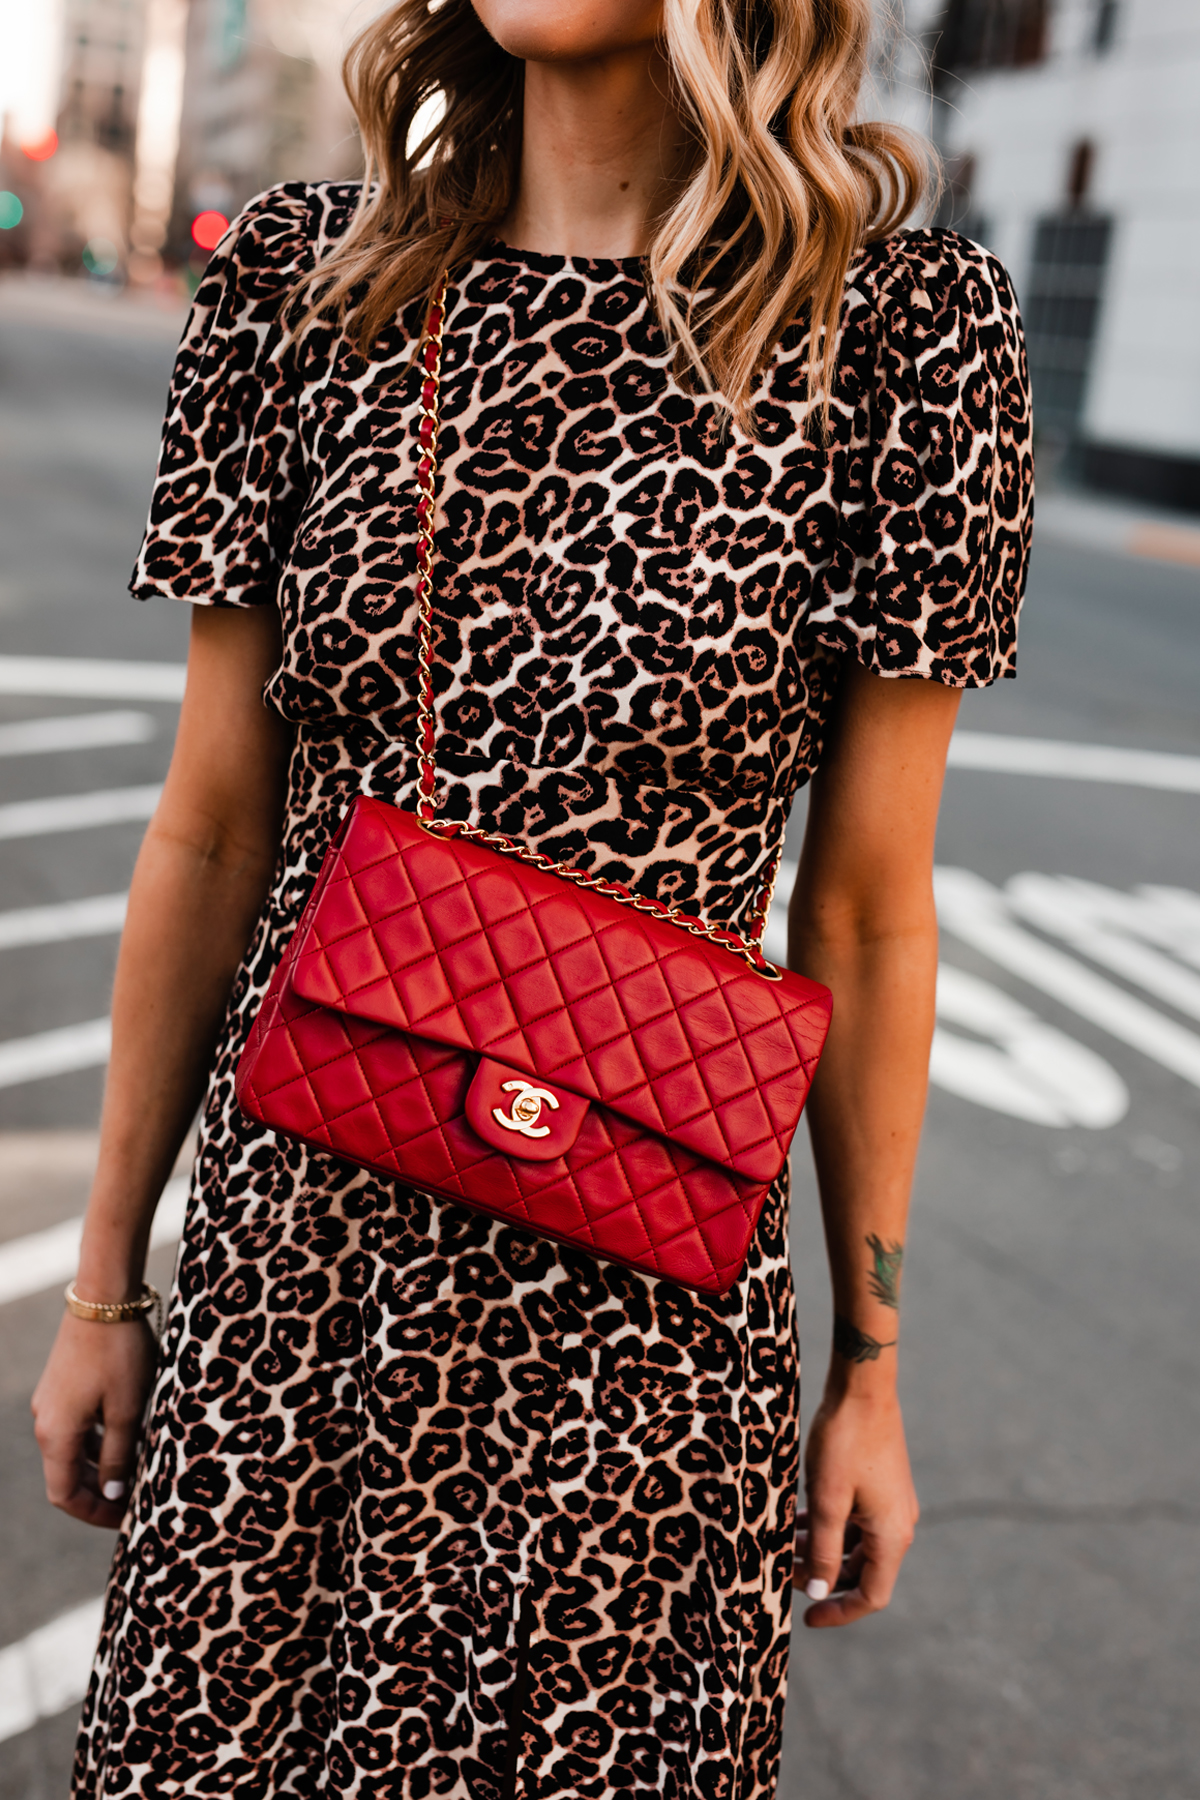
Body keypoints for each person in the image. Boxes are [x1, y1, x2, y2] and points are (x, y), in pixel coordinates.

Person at [32, 0, 1033, 1794]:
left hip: (647, 1325)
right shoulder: (299, 293)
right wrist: (106, 1287)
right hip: (298, 1287)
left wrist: (870, 1371)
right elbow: (206, 830)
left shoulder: (903, 336)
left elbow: (873, 912)